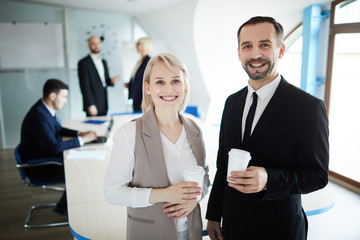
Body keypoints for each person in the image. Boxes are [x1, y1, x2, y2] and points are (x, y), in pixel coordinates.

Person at [206, 16, 329, 240]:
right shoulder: (232, 102)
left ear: (280, 50)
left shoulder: (308, 107)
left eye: (264, 45)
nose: (255, 55)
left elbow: (317, 176)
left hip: (280, 228)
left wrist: (269, 179)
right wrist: (214, 215)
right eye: (247, 46)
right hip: (234, 225)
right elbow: (222, 165)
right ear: (239, 53)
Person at [105, 53, 210, 240]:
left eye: (176, 81)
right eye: (160, 82)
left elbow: (204, 177)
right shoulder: (129, 133)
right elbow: (112, 192)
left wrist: (195, 199)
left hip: (191, 233)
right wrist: (162, 194)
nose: (169, 89)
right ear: (148, 88)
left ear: (185, 86)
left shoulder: (194, 130)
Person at [18, 79, 97, 215]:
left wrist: (79, 134)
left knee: (79, 163)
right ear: (52, 96)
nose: (65, 101)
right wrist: (82, 139)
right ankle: (66, 207)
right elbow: (55, 147)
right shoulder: (38, 116)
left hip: (45, 157)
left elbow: (58, 130)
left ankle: (64, 205)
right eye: (64, 97)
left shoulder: (44, 109)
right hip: (39, 166)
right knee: (79, 170)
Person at [78, 35, 119, 116]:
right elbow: (84, 86)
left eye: (98, 43)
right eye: (93, 43)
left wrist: (111, 81)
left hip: (103, 101)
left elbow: (105, 82)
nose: (96, 46)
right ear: (89, 45)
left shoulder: (104, 62)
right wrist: (90, 104)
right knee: (93, 127)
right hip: (92, 103)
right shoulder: (83, 63)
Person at [124, 37, 152, 111]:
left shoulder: (149, 61)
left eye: (139, 44)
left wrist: (146, 100)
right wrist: (130, 85)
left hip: (143, 99)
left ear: (145, 45)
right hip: (136, 97)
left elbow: (149, 81)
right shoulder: (139, 62)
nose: (136, 46)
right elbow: (137, 79)